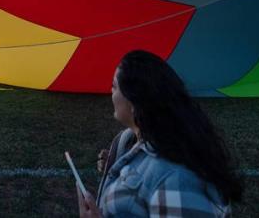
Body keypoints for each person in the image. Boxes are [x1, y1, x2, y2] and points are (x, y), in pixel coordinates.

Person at [77, 50, 243, 218]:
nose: (110, 91)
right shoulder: (133, 141)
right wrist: (122, 167)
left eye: (114, 86)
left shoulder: (178, 180)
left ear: (134, 101)